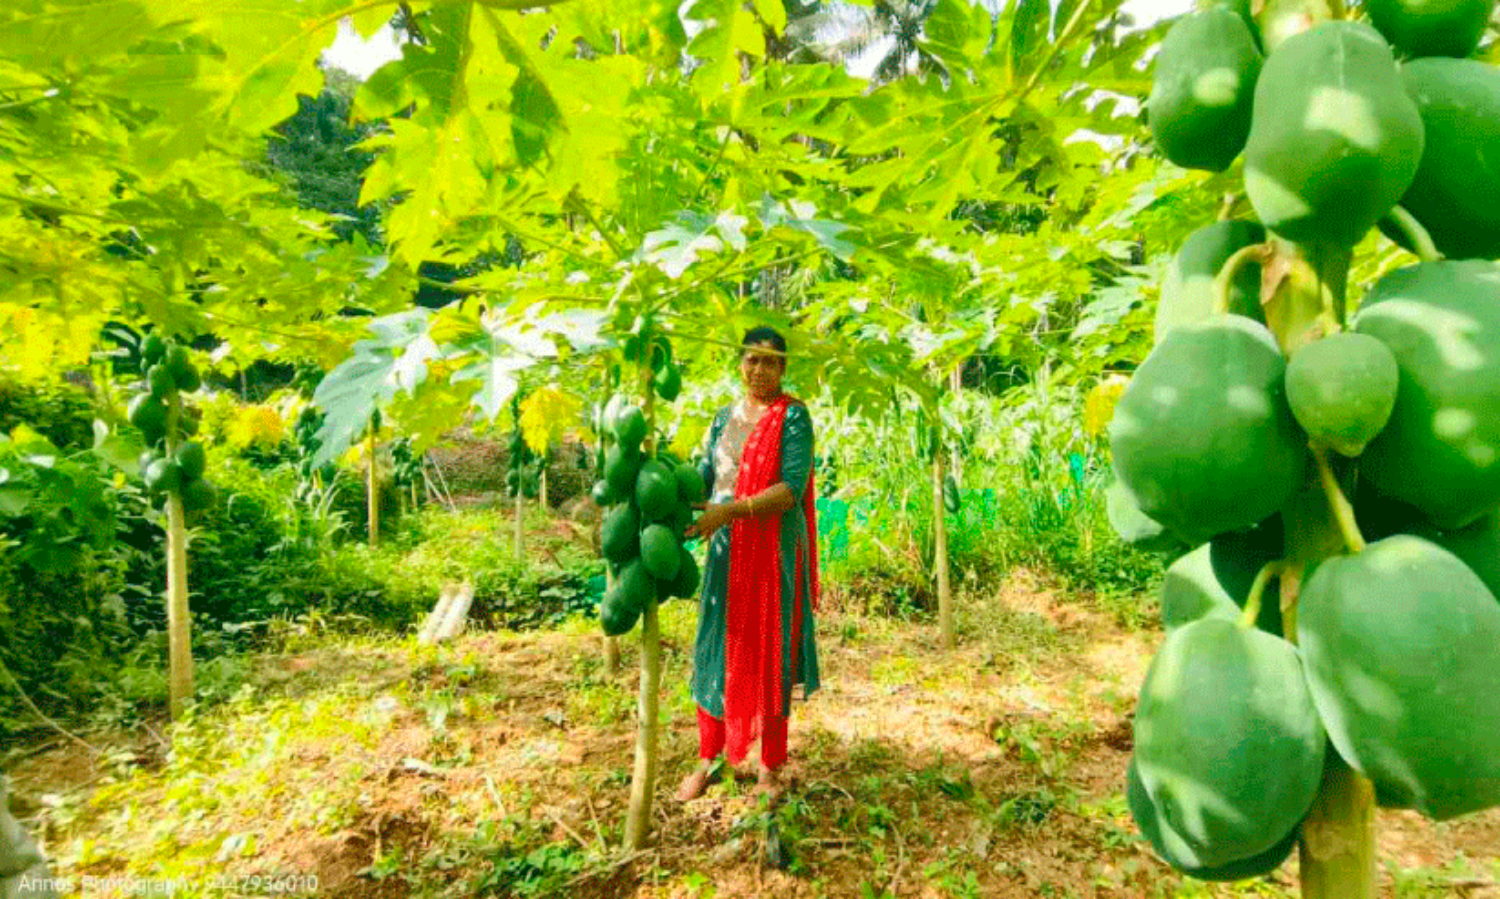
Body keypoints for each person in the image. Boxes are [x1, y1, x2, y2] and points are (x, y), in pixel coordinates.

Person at [676, 326, 820, 802]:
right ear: (739, 363)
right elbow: (706, 477)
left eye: (769, 361)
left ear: (783, 367)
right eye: (751, 359)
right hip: (725, 554)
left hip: (772, 552)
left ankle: (770, 767)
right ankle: (709, 757)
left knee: (770, 651)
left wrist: (730, 512)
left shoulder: (792, 417)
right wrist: (667, 486)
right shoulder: (723, 418)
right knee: (715, 647)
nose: (759, 369)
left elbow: (789, 490)